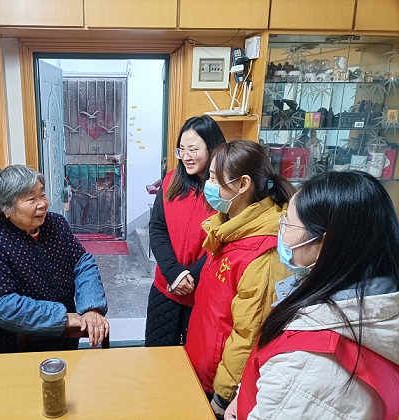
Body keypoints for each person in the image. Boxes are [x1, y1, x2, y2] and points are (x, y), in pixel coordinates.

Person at [230, 171, 399, 420]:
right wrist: (243, 395)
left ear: (323, 243)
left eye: (288, 224)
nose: (281, 232)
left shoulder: (309, 366)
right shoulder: (368, 295)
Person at [184, 140, 296, 419]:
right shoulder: (228, 228)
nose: (208, 185)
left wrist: (223, 396)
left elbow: (248, 334)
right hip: (201, 366)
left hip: (220, 386)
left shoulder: (263, 252)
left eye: (214, 178)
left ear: (243, 184)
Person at [0, 165, 109, 354]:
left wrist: (91, 309)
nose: (42, 204)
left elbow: (82, 263)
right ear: (6, 208)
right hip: (15, 350)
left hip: (64, 342)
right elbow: (1, 305)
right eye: (31, 199)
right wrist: (63, 318)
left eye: (42, 195)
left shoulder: (56, 224)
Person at [145, 115, 226, 346]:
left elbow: (224, 242)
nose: (186, 156)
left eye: (193, 149)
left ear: (213, 148)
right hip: (166, 288)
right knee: (157, 356)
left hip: (203, 292)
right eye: (181, 150)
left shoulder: (224, 190)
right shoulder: (171, 181)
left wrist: (189, 276)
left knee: (194, 359)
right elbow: (157, 228)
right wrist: (174, 273)